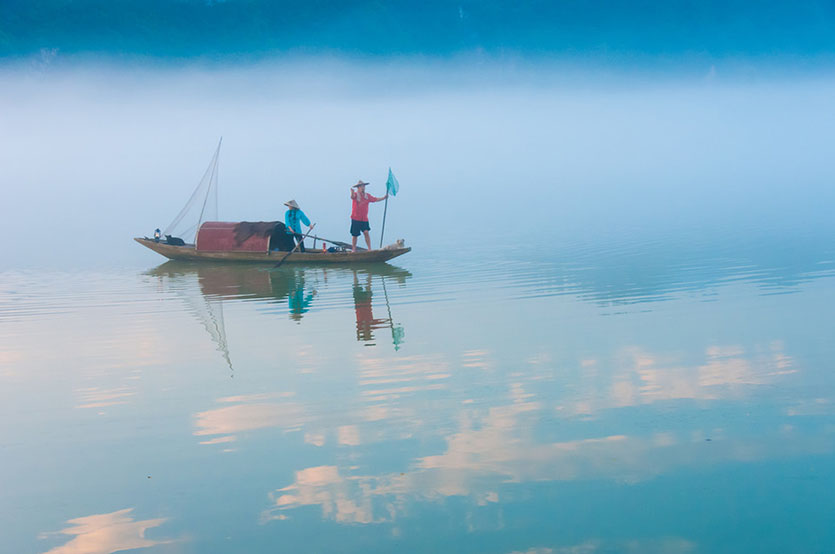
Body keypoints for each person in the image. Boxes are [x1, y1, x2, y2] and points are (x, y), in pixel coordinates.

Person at [349, 180, 387, 252]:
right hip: (356, 218)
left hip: (364, 219)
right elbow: (352, 196)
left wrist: (384, 198)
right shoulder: (356, 195)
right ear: (358, 188)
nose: (363, 188)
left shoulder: (367, 196)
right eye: (361, 186)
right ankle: (353, 249)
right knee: (355, 235)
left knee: (366, 232)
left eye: (363, 186)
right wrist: (352, 192)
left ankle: (369, 248)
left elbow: (375, 199)